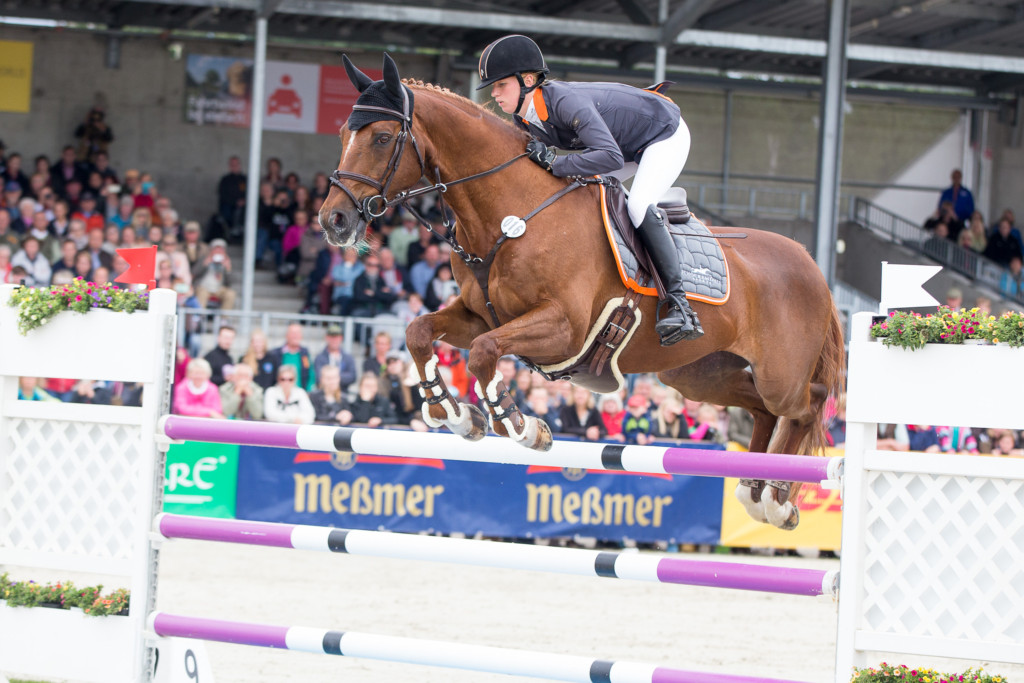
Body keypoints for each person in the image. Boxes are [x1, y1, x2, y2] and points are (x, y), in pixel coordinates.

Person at [478, 34, 701, 344]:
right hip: (626, 146)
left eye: (501, 85)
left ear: (527, 80)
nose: (495, 93)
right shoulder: (524, 119)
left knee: (638, 204)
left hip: (663, 134)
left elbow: (607, 156)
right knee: (579, 194)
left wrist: (557, 163)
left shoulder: (564, 101)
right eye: (493, 87)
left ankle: (679, 304)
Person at [267, 322, 316, 392]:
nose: (295, 336)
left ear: (301, 336)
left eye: (298, 333)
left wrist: (308, 391)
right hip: (280, 394)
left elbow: (310, 374)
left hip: (300, 394)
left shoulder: (305, 354)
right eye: (293, 333)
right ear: (286, 335)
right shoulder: (276, 353)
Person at [313, 324, 358, 394]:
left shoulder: (348, 357)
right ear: (327, 338)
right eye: (332, 337)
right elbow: (319, 378)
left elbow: (352, 377)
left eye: (336, 337)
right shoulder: (319, 358)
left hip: (343, 394)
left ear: (341, 338)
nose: (334, 340)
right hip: (324, 395)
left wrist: (330, 377)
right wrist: (338, 377)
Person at [193, 238, 236, 309]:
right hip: (204, 287)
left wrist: (228, 269)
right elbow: (194, 273)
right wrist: (205, 264)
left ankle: (224, 319)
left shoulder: (227, 261)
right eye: (216, 249)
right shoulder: (204, 259)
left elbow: (231, 282)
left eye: (221, 249)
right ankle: (199, 317)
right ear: (211, 250)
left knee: (230, 294)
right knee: (202, 293)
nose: (218, 251)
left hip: (219, 289)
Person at [217, 155, 247, 231]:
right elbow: (222, 194)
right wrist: (235, 202)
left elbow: (249, 193)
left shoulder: (245, 179)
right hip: (228, 205)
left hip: (243, 206)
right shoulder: (225, 180)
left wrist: (244, 201)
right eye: (232, 165)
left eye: (236, 164)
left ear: (240, 165)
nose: (234, 166)